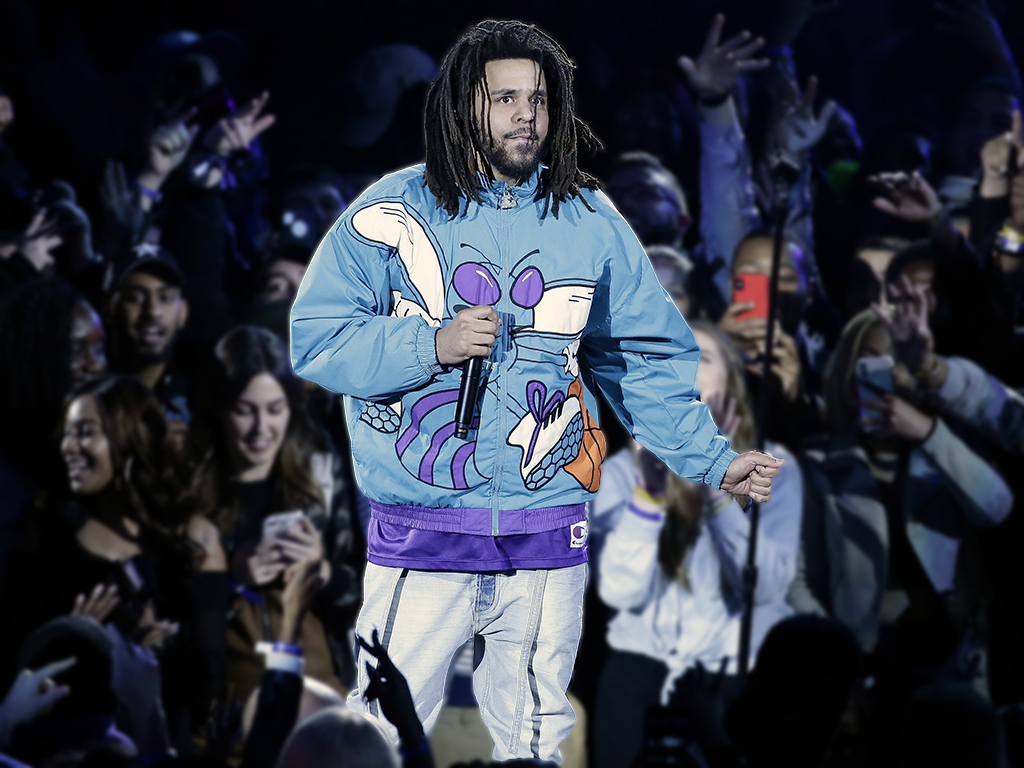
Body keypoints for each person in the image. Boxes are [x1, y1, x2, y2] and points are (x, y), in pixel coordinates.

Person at [290, 19, 783, 764]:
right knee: (380, 736)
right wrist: (432, 343)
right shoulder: (392, 209)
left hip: (545, 529)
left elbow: (642, 358)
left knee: (533, 742)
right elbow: (316, 337)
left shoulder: (590, 221)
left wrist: (713, 460)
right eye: (508, 98)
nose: (529, 115)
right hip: (424, 527)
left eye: (542, 99)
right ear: (463, 109)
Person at [590, 321, 802, 768]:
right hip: (639, 678)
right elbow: (619, 591)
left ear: (731, 381)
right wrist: (648, 500)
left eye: (701, 359)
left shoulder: (773, 469)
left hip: (736, 676)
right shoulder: (623, 473)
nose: (684, 368)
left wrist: (717, 483)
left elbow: (763, 586)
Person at [787, 308, 1013, 682]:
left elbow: (996, 506)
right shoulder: (818, 465)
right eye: (867, 367)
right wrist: (834, 663)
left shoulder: (950, 448)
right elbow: (801, 581)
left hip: (955, 655)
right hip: (864, 661)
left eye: (897, 365)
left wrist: (927, 433)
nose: (885, 380)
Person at [187, 325, 362, 705]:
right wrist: (232, 577)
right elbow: (171, 609)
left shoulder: (318, 464)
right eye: (244, 411)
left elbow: (358, 587)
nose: (260, 428)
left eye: (274, 409)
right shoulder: (191, 479)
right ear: (219, 409)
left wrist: (322, 572)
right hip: (229, 686)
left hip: (316, 676)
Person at [106, 244, 192, 449]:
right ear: (109, 309)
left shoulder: (199, 400)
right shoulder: (89, 397)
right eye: (135, 297)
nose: (153, 311)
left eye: (166, 298)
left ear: (184, 312)